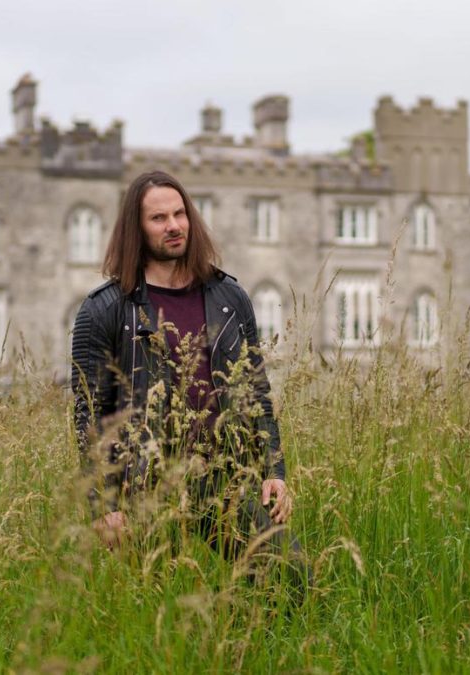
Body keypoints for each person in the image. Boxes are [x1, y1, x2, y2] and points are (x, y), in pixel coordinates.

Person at [70, 170, 307, 588]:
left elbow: (257, 393)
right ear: (136, 229)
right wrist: (103, 505)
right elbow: (90, 417)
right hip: (144, 485)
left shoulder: (230, 299)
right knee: (159, 611)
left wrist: (275, 470)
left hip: (220, 476)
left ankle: (245, 650)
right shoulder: (104, 310)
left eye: (180, 214)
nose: (175, 225)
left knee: (289, 576)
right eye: (159, 218)